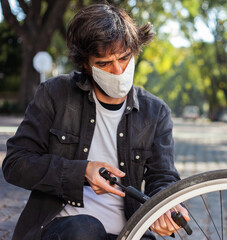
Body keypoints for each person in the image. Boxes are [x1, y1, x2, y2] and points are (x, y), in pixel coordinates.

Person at [2, 3, 188, 240]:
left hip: (126, 232)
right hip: (63, 229)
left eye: (124, 57)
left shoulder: (156, 111)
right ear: (85, 65)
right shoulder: (54, 94)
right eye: (103, 63)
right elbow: (16, 163)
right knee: (87, 229)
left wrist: (167, 208)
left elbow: (162, 178)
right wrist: (81, 172)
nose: (118, 70)